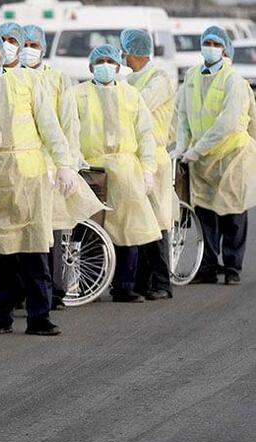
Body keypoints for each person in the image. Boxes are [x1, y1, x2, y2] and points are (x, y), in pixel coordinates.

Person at [0, 30, 73, 335]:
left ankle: (39, 316)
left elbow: (49, 125)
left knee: (34, 250)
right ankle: (0, 317)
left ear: (0, 51)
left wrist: (63, 164)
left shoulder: (27, 81)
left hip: (27, 177)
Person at [21, 24, 106, 309]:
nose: (28, 50)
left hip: (52, 166)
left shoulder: (58, 80)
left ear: (43, 49)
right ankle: (25, 293)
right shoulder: (13, 78)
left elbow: (69, 124)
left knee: (54, 231)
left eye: (34, 45)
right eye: (24, 44)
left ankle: (54, 292)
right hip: (23, 167)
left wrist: (67, 164)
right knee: (26, 232)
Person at [70, 44, 162, 302]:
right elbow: (70, 130)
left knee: (128, 229)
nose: (105, 65)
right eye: (99, 61)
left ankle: (125, 285)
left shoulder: (131, 95)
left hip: (126, 170)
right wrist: (74, 161)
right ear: (91, 67)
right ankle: (91, 285)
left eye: (110, 61)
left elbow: (145, 135)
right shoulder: (77, 94)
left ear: (118, 67)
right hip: (92, 170)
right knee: (92, 228)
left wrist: (148, 170)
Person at [173, 26, 256, 285]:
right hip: (202, 159)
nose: (210, 48)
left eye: (216, 44)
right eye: (206, 43)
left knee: (233, 211)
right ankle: (207, 266)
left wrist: (197, 149)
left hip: (232, 155)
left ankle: (232, 267)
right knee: (205, 212)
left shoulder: (234, 81)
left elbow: (228, 122)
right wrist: (183, 146)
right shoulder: (192, 76)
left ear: (225, 49)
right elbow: (183, 115)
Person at [121, 28, 176, 300]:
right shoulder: (129, 80)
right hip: (135, 158)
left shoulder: (158, 79)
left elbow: (136, 106)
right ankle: (142, 282)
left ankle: (162, 283)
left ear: (134, 52)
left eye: (124, 50)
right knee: (141, 220)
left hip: (154, 158)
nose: (122, 55)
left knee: (157, 220)